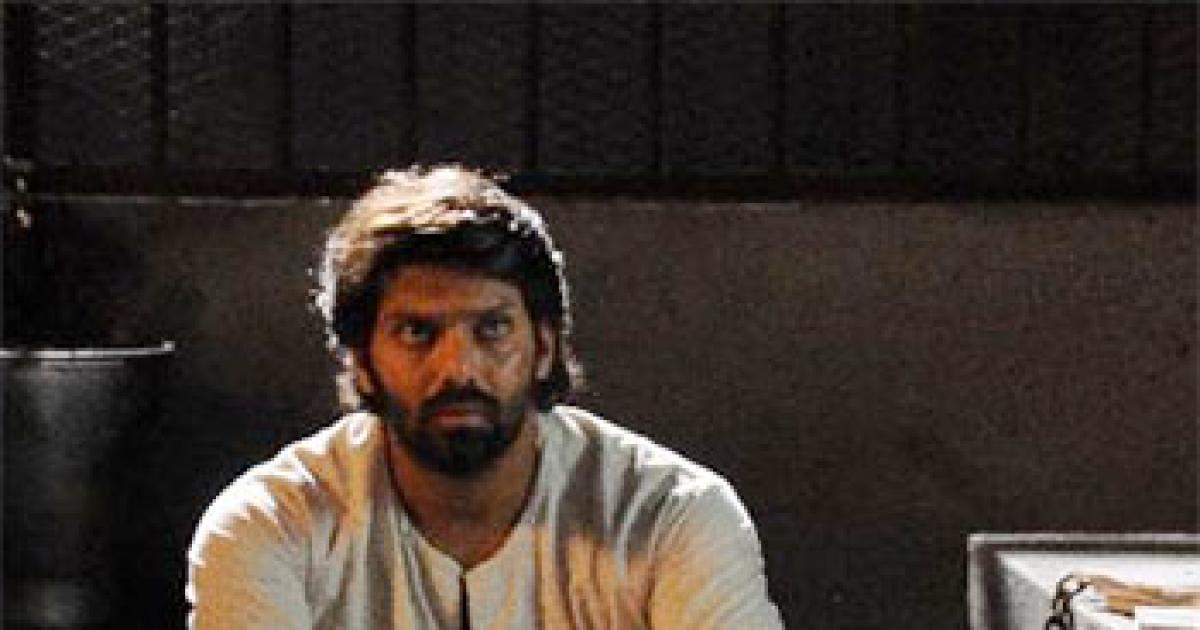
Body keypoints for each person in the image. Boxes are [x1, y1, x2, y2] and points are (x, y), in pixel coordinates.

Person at [186, 165, 785, 629]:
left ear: (544, 347)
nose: (458, 369)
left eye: (492, 329)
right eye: (416, 332)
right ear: (362, 361)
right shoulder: (270, 527)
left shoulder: (669, 516)